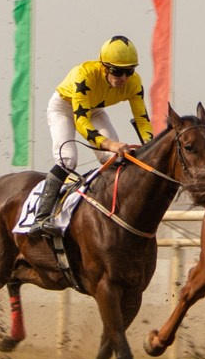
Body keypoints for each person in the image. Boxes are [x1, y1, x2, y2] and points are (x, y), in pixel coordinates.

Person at [25, 35, 153, 236]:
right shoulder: (84, 75)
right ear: (104, 67)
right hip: (65, 108)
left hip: (94, 109)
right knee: (68, 159)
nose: (123, 78)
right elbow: (81, 122)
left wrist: (151, 146)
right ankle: (41, 218)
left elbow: (142, 120)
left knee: (113, 160)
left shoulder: (134, 83)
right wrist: (109, 143)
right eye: (117, 71)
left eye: (129, 71)